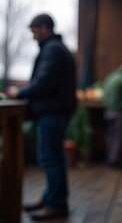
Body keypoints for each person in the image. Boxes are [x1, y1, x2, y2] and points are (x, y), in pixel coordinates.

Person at [6, 13, 77, 220]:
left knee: (51, 158)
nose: (33, 36)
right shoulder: (55, 48)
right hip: (54, 111)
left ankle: (56, 203)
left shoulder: (52, 50)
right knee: (52, 157)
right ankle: (50, 198)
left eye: (34, 31)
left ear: (44, 28)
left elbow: (44, 81)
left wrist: (19, 92)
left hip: (52, 112)